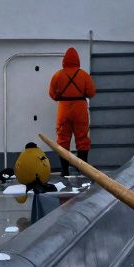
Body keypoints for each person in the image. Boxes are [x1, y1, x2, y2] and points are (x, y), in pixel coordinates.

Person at [47, 47, 96, 175]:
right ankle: (83, 169)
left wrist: (61, 96)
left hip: (64, 107)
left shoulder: (58, 75)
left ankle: (64, 170)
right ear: (77, 60)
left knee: (63, 139)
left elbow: (52, 94)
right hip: (80, 108)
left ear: (64, 60)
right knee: (82, 139)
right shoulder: (84, 75)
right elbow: (91, 92)